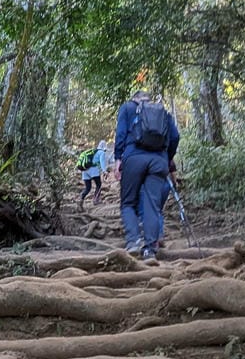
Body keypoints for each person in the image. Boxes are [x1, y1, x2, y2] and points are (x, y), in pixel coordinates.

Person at [113, 89, 179, 263]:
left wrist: (118, 158)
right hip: (158, 161)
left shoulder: (128, 108)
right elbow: (175, 136)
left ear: (135, 98)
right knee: (152, 205)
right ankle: (150, 249)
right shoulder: (163, 112)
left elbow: (120, 133)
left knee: (128, 202)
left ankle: (133, 241)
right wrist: (167, 157)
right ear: (149, 100)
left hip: (133, 159)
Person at [77, 140, 109, 211]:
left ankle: (80, 200)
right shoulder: (101, 153)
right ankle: (96, 200)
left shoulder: (92, 152)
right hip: (93, 171)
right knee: (99, 185)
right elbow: (102, 162)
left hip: (85, 171)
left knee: (88, 188)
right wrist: (104, 171)